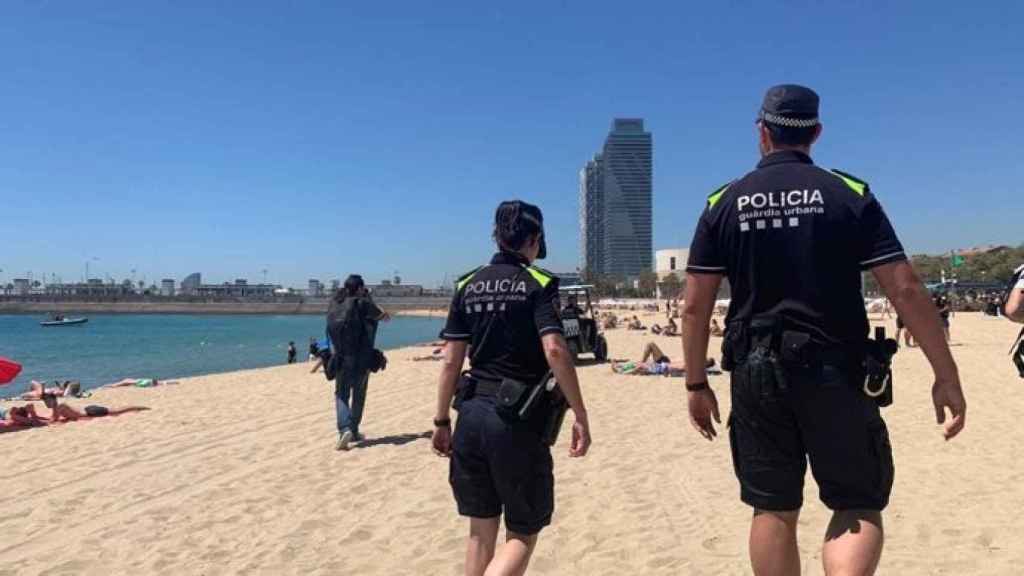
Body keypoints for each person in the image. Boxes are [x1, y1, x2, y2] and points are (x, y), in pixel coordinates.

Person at [682, 84, 966, 576]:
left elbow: (692, 308)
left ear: (761, 132)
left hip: (754, 370)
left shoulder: (723, 202)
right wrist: (946, 373)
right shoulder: (847, 194)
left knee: (772, 507)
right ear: (815, 132)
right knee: (856, 501)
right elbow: (906, 289)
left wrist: (695, 383)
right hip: (836, 366)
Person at [431, 200, 591, 576]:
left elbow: (452, 360)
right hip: (516, 420)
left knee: (479, 533)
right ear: (533, 240)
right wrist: (580, 413)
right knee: (522, 533)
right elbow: (555, 349)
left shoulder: (467, 284)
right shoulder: (537, 283)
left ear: (496, 236)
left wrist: (440, 421)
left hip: (469, 415)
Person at [326, 274, 390, 450]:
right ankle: (353, 430)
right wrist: (371, 300)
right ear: (360, 288)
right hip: (362, 358)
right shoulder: (363, 303)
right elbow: (385, 317)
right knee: (359, 395)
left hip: (341, 357)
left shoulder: (334, 304)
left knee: (341, 394)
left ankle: (344, 429)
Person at [42, 394, 148, 422]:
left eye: (47, 401)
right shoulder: (57, 407)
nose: (46, 403)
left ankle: (139, 407)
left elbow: (53, 420)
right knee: (116, 411)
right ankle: (137, 408)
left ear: (53, 400)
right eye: (45, 401)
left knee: (118, 411)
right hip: (88, 409)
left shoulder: (59, 407)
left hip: (90, 412)